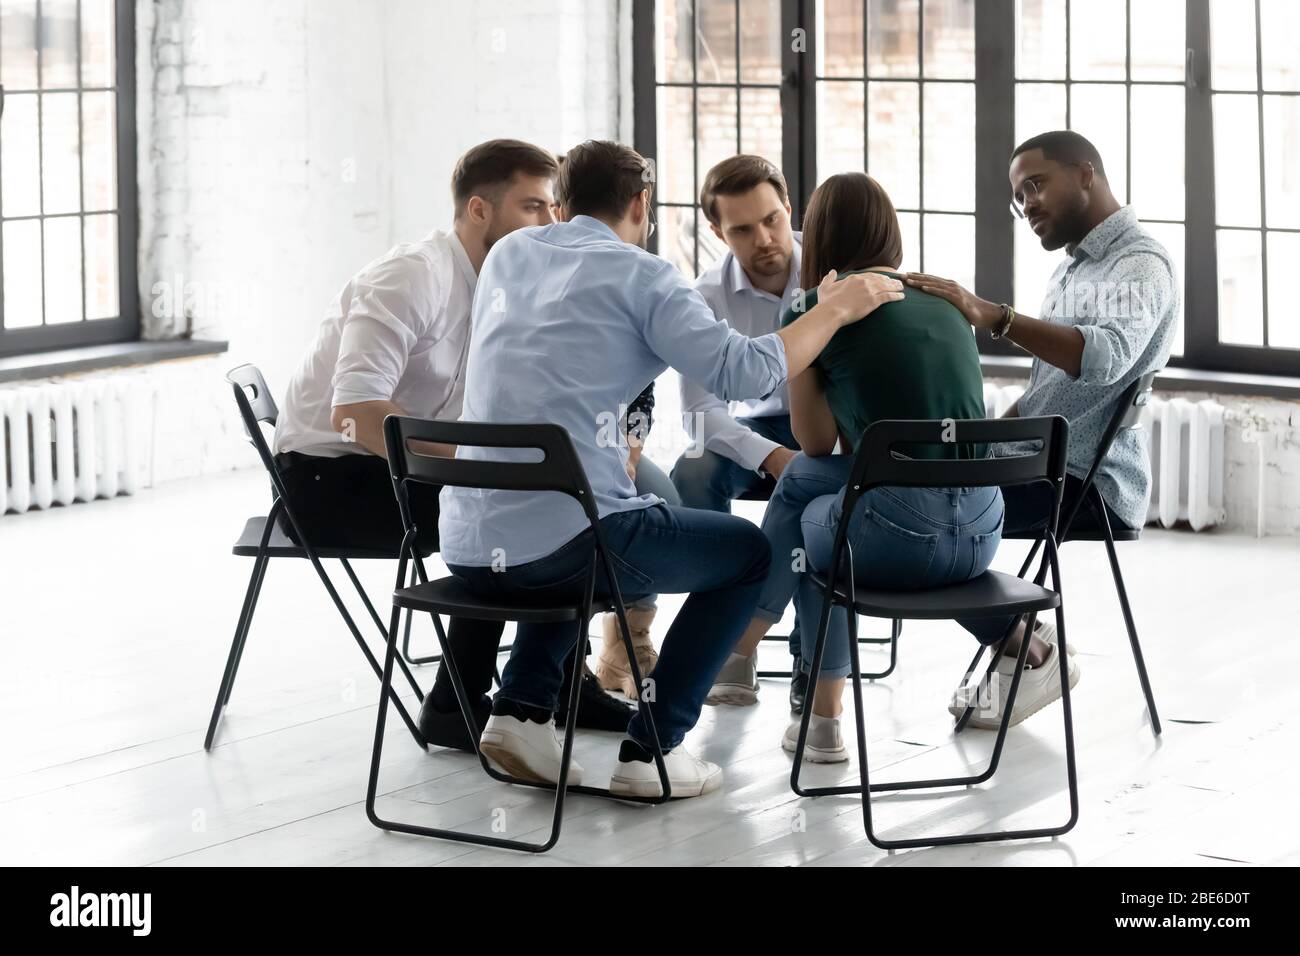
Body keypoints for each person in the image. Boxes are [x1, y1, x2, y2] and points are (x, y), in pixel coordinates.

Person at [437, 140, 904, 798]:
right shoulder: (644, 276)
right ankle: (654, 749)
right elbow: (744, 371)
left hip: (466, 540)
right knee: (744, 552)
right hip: (568, 545)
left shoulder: (509, 256)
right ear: (641, 204)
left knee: (583, 513)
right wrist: (835, 309)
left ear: (563, 206)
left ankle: (520, 709)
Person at [271, 138, 625, 751]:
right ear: (479, 210)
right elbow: (354, 413)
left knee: (550, 502)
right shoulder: (414, 276)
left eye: (553, 209)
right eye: (534, 207)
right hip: (326, 481)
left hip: (391, 472)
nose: (550, 223)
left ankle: (549, 687)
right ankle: (463, 703)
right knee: (518, 511)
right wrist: (474, 469)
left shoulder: (501, 284)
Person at [717, 172, 1003, 761]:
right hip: (981, 533)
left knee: (817, 508)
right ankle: (749, 663)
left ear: (815, 232)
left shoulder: (815, 307)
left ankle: (791, 690)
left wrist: (804, 330)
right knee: (813, 493)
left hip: (900, 540)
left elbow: (814, 441)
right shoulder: (950, 303)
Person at [905, 129, 1178, 729]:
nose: (1026, 204)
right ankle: (1024, 640)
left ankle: (1032, 649)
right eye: (1017, 195)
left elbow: (1105, 355)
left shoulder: (1140, 262)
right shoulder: (1070, 272)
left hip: (1089, 484)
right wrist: (964, 446)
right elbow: (1040, 401)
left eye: (1035, 184)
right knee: (915, 495)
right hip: (1043, 464)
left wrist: (993, 314)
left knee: (921, 523)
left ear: (1086, 173)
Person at [662, 155, 813, 712]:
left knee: (826, 486)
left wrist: (803, 455)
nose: (765, 239)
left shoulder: (830, 271)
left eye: (771, 219)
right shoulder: (704, 296)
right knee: (694, 466)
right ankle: (723, 631)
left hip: (829, 428)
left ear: (788, 208)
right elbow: (700, 413)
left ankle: (811, 659)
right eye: (743, 229)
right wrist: (770, 456)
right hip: (756, 428)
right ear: (716, 231)